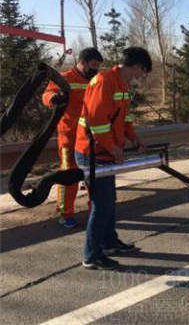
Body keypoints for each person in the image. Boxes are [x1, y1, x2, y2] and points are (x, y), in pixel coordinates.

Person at [75, 47, 152, 270]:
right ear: (136, 66)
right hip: (92, 152)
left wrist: (134, 140)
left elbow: (123, 118)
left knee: (109, 201)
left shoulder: (121, 84)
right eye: (143, 71)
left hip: (104, 151)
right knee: (102, 204)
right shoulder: (104, 81)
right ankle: (91, 255)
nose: (142, 76)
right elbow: (97, 121)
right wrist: (113, 148)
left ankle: (109, 243)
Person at [42, 48, 103, 228]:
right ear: (82, 62)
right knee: (69, 176)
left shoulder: (96, 80)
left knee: (94, 175)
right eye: (93, 66)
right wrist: (52, 98)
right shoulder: (65, 78)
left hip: (90, 138)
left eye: (98, 67)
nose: (96, 70)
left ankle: (95, 208)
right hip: (69, 138)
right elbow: (46, 95)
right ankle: (65, 213)